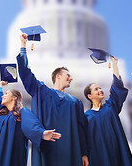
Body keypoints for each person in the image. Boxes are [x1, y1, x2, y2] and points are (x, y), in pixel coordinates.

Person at [17, 33, 89, 166]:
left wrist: (84, 153)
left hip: (71, 151)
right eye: (68, 75)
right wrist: (23, 46)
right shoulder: (41, 91)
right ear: (58, 76)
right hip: (48, 147)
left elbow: (81, 129)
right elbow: (25, 73)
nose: (71, 78)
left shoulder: (75, 103)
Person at [0, 81, 61, 166]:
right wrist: (0, 86)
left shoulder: (21, 113)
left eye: (6, 94)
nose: (3, 96)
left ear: (14, 97)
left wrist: (42, 133)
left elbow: (31, 125)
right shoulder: (1, 112)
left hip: (8, 155)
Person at [83, 56, 132, 166]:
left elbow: (117, 88)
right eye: (96, 89)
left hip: (117, 152)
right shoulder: (86, 117)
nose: (100, 90)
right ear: (89, 96)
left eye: (100, 88)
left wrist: (115, 66)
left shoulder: (111, 107)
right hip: (99, 156)